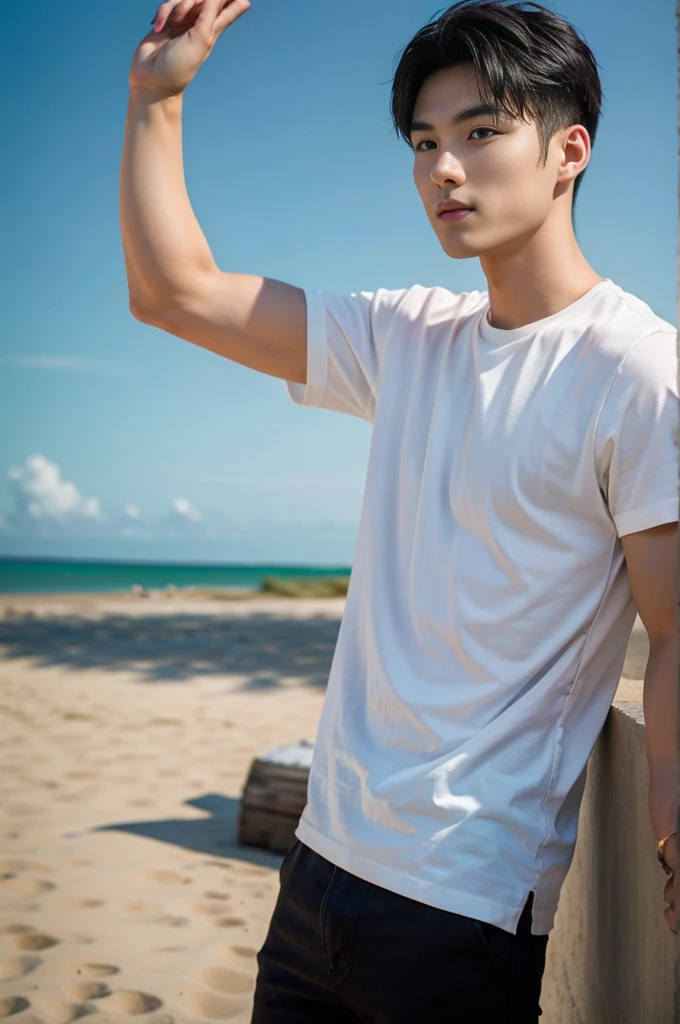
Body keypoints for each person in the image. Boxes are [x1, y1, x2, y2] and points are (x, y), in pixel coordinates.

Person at [121, 1, 679, 1020]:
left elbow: (675, 628)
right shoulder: (408, 337)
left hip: (461, 905)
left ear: (568, 150)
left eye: (478, 132)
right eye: (424, 142)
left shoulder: (637, 370)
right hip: (318, 867)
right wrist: (157, 97)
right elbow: (173, 292)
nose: (442, 170)